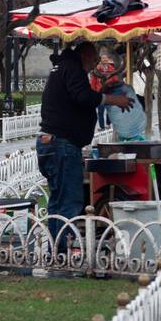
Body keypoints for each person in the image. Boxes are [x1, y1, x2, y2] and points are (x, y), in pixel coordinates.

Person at [37, 42, 131, 233]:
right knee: (70, 201)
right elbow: (82, 97)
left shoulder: (62, 67)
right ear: (86, 55)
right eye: (94, 58)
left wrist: (101, 92)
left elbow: (80, 97)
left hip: (50, 142)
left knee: (57, 200)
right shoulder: (72, 67)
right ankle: (64, 250)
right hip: (62, 144)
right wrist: (113, 99)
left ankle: (56, 251)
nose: (95, 63)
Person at [90, 54, 116, 131]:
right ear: (101, 60)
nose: (105, 60)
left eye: (106, 58)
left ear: (108, 60)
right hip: (100, 93)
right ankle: (102, 127)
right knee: (100, 112)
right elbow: (93, 82)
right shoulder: (97, 69)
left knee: (110, 110)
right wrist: (93, 92)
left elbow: (115, 79)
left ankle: (108, 124)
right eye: (103, 58)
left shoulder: (111, 69)